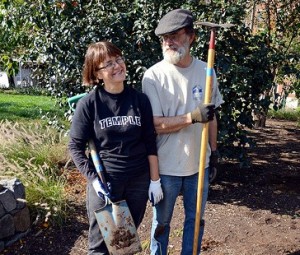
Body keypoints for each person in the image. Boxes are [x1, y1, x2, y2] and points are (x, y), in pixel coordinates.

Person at [68, 41, 163, 255]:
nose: (118, 65)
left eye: (119, 59)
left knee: (125, 244)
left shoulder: (140, 100)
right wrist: (93, 179)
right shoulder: (90, 104)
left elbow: (150, 141)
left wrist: (154, 180)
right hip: (107, 181)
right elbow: (75, 146)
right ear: (97, 73)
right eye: (108, 63)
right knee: (100, 246)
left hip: (139, 180)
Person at [142, 9, 223, 255]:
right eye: (165, 38)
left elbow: (212, 116)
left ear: (191, 37)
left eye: (175, 35)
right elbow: (155, 124)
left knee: (195, 222)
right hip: (166, 168)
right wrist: (191, 117)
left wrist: (214, 152)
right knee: (162, 225)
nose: (169, 42)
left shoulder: (206, 71)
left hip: (199, 166)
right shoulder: (153, 76)